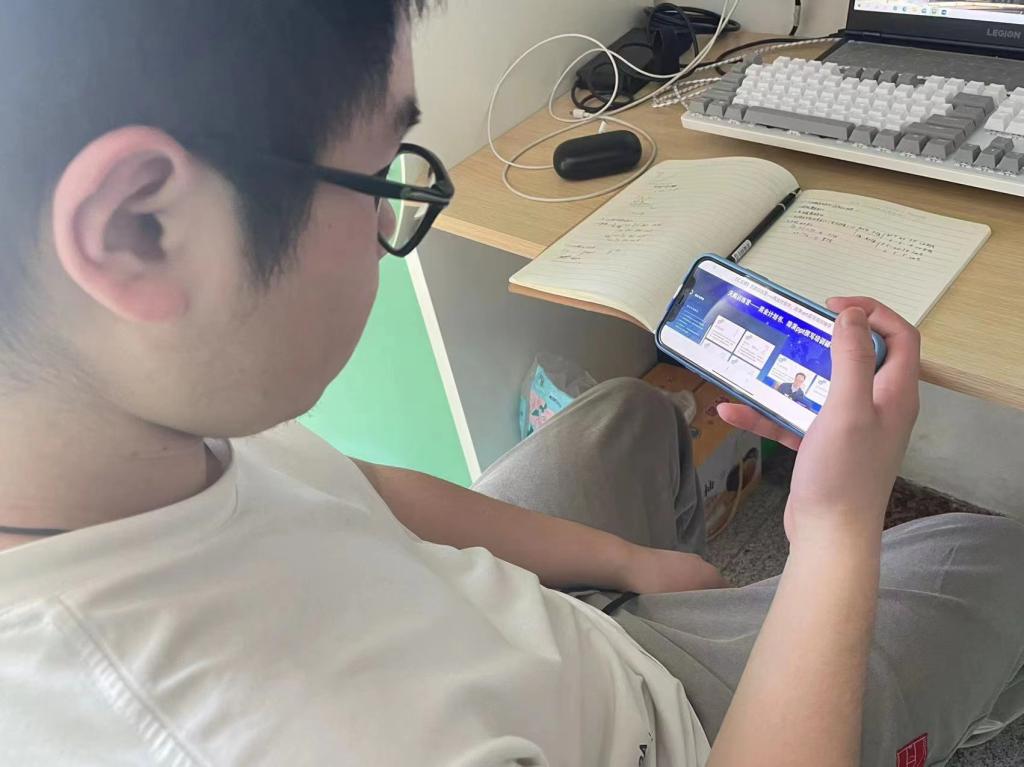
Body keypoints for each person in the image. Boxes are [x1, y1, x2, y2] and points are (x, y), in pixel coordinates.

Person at [0, 3, 1022, 765]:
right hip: (676, 734)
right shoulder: (264, 734)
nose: (390, 222)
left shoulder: (126, 426)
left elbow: (362, 492)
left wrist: (627, 560)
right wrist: (835, 530)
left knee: (629, 412)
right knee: (997, 557)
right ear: (140, 228)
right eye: (381, 175)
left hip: (544, 644)